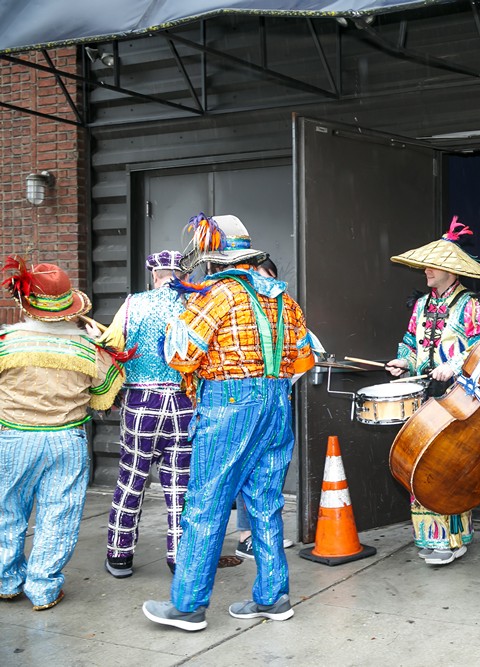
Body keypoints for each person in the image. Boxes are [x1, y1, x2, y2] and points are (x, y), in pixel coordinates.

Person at [142, 213, 314, 632]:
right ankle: (273, 598)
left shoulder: (213, 295)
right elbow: (304, 357)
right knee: (266, 503)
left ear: (214, 261)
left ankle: (188, 606)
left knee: (205, 503)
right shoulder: (283, 299)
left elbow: (179, 355)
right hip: (276, 403)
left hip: (228, 403)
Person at [0, 258, 125, 610]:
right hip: (65, 440)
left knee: (6, 511)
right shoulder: (87, 348)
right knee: (59, 514)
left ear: (25, 305)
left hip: (13, 438)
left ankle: (6, 581)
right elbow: (105, 395)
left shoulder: (5, 342)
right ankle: (43, 587)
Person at [385, 217, 480, 566]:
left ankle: (453, 538)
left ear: (451, 269)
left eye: (433, 265)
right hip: (425, 394)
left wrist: (456, 363)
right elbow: (409, 342)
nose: (426, 271)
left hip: (457, 398)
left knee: (449, 465)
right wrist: (403, 361)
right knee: (421, 462)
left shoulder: (472, 305)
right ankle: (430, 536)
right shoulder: (420, 305)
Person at [99, 250, 193, 578]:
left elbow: (110, 347)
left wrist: (109, 393)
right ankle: (179, 557)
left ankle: (120, 554)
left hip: (141, 401)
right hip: (184, 402)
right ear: (182, 273)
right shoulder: (194, 304)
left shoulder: (133, 303)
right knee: (181, 481)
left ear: (153, 274)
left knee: (132, 476)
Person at [233, 256, 294, 559]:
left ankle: (261, 537)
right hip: (244, 404)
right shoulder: (238, 306)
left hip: (275, 402)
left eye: (260, 275)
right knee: (249, 473)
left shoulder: (285, 307)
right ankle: (246, 536)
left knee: (267, 477)